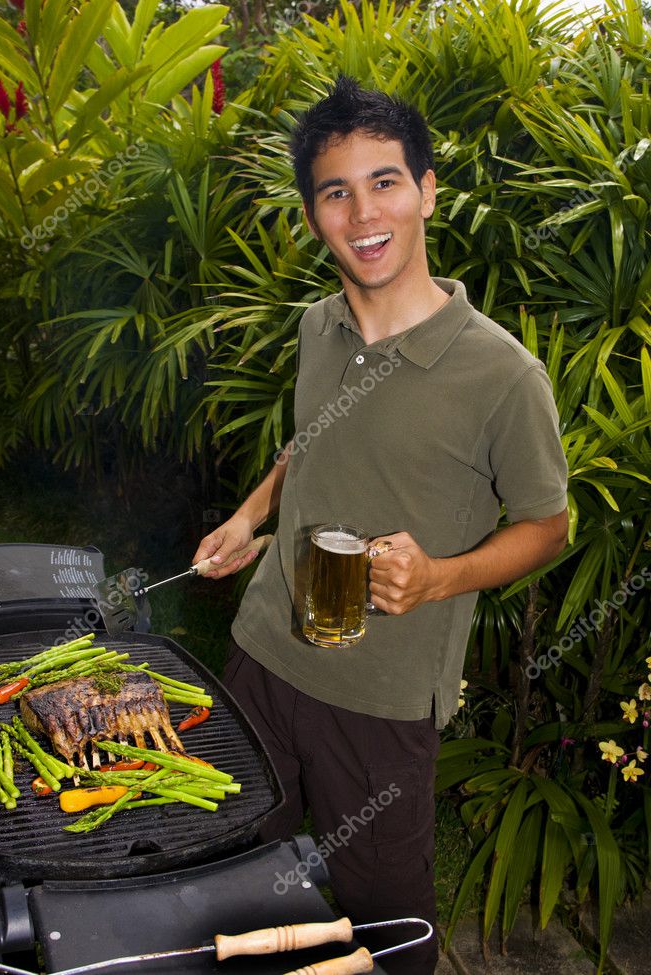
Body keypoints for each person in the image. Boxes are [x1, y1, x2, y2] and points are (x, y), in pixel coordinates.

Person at [192, 75, 568, 974]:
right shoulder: (319, 328)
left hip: (382, 699)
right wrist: (250, 518)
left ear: (428, 190)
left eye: (385, 181)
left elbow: (548, 525)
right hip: (260, 656)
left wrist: (439, 575)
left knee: (386, 927)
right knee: (240, 875)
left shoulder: (502, 376)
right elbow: (307, 448)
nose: (364, 211)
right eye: (335, 190)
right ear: (315, 213)